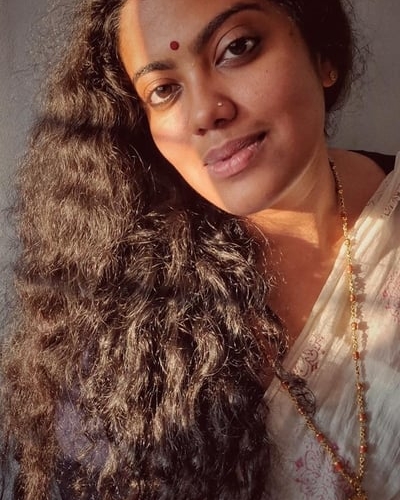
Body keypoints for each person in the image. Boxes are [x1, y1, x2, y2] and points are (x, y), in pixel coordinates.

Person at [1, 0, 399, 499]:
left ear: (323, 54)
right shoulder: (125, 330)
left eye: (237, 48)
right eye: (164, 89)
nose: (206, 112)